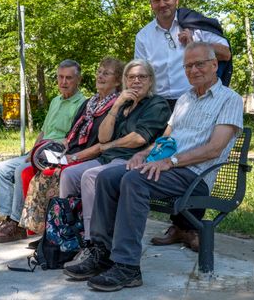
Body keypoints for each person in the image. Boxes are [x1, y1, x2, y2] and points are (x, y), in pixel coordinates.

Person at [63, 42, 243, 292]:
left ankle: (127, 267)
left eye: (199, 64)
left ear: (215, 65)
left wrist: (170, 162)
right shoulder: (185, 99)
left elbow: (214, 148)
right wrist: (143, 154)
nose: (193, 70)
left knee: (134, 181)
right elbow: (165, 138)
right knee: (106, 176)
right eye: (188, 66)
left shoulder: (230, 99)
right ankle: (102, 253)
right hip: (168, 167)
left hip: (195, 175)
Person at [135, 0, 232, 247]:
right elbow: (142, 72)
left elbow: (226, 52)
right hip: (159, 104)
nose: (162, 3)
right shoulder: (143, 36)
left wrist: (195, 43)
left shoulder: (194, 24)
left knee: (190, 157)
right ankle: (178, 226)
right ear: (151, 3)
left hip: (194, 98)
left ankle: (189, 227)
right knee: (163, 155)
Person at [59, 59, 171, 248]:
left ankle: (92, 242)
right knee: (69, 174)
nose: (136, 81)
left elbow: (139, 138)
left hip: (132, 160)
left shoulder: (156, 104)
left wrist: (109, 146)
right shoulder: (123, 105)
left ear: (150, 80)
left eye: (142, 77)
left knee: (90, 176)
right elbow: (103, 137)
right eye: (131, 77)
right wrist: (117, 105)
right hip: (108, 158)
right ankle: (67, 234)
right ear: (125, 80)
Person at [18, 57, 124, 236]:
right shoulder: (90, 103)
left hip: (89, 156)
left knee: (50, 175)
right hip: (70, 151)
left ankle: (65, 232)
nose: (100, 76)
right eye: (99, 72)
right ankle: (47, 234)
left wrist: (73, 157)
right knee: (29, 170)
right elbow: (71, 135)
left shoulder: (117, 105)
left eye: (106, 73)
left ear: (118, 79)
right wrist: (46, 152)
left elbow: (102, 144)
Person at [0, 59, 85, 243]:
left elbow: (72, 138)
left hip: (58, 153)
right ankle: (6, 218)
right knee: (1, 168)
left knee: (19, 170)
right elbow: (43, 132)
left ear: (78, 79)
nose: (63, 82)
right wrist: (30, 153)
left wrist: (40, 154)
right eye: (60, 77)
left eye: (69, 78)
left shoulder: (82, 104)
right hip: (40, 151)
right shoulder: (55, 101)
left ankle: (17, 225)